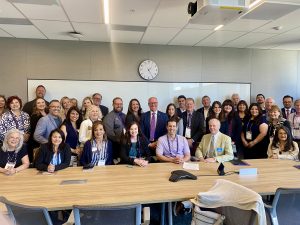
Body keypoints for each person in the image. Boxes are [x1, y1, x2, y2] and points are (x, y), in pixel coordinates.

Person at [28, 97, 47, 162]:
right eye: (38, 103)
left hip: (45, 140)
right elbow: (34, 132)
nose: (41, 104)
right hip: (36, 142)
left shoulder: (48, 114)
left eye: (42, 102)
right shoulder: (34, 116)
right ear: (35, 105)